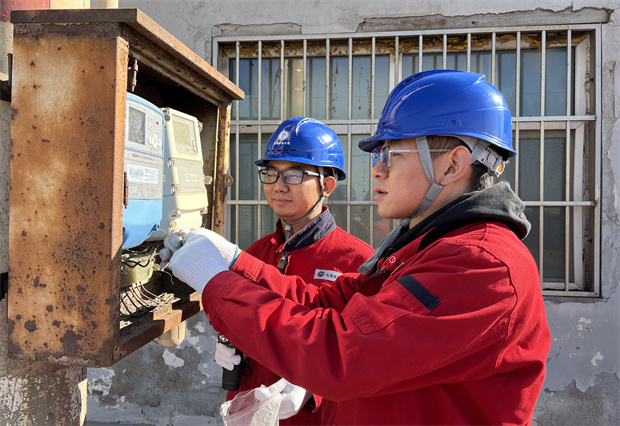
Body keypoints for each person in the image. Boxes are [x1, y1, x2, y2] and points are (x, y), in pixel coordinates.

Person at [163, 70, 551, 425]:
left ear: (452, 165)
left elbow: (341, 354)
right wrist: (234, 262)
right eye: (379, 156)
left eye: (391, 154)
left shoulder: (480, 265)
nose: (377, 170)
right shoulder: (422, 249)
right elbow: (325, 303)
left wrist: (215, 283)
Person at [215, 117, 373, 424]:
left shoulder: (356, 259)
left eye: (294, 174)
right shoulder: (255, 253)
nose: (279, 185)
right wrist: (230, 341)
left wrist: (313, 389)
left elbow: (363, 351)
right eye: (271, 173)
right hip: (250, 410)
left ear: (327, 185)